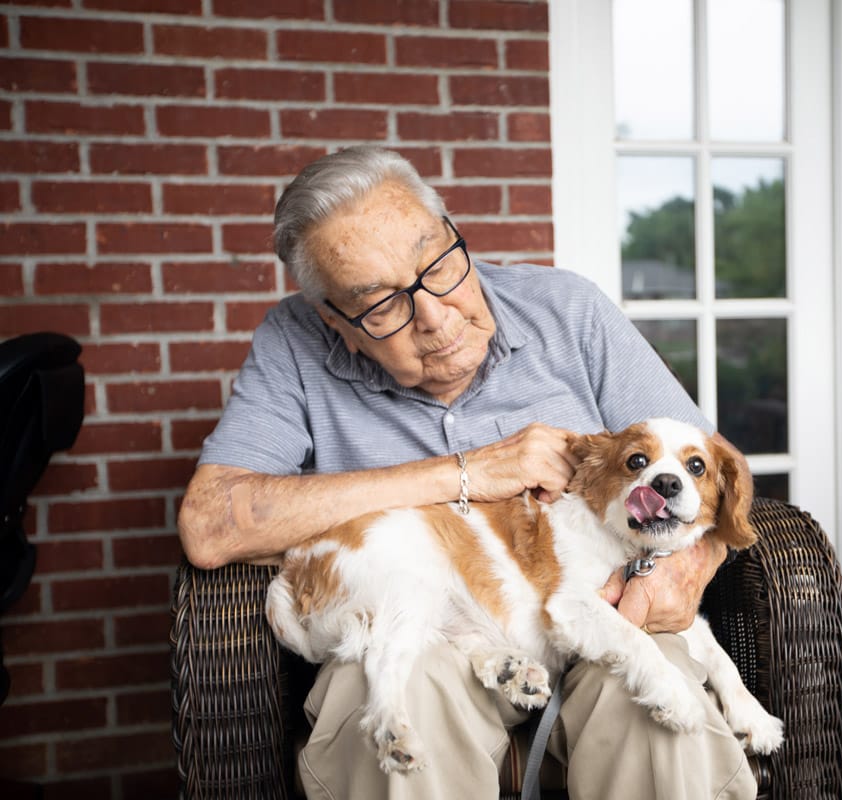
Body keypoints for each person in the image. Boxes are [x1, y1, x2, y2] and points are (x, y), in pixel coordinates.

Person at [178, 144, 757, 800]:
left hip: (597, 609)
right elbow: (211, 525)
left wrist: (683, 572)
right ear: (334, 322)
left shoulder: (569, 308)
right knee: (398, 699)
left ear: (456, 234)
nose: (435, 316)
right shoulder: (290, 345)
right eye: (381, 306)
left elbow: (712, 471)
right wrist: (465, 473)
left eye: (439, 266)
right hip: (421, 631)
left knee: (655, 703)